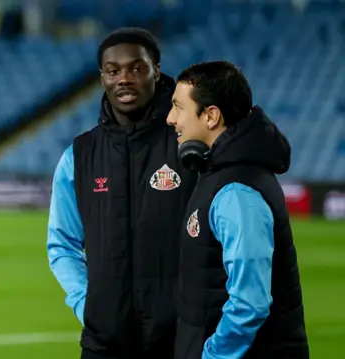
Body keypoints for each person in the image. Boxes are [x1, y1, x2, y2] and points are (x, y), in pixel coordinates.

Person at [46, 27, 198, 359]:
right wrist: (88, 305)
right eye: (113, 71)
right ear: (102, 77)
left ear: (156, 72)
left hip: (181, 340)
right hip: (105, 343)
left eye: (137, 68)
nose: (124, 79)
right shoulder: (80, 155)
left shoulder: (189, 146)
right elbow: (62, 243)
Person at [167, 60, 309, 359]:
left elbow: (250, 303)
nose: (171, 118)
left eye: (178, 107)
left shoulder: (237, 193)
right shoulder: (218, 174)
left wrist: (212, 356)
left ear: (211, 116)